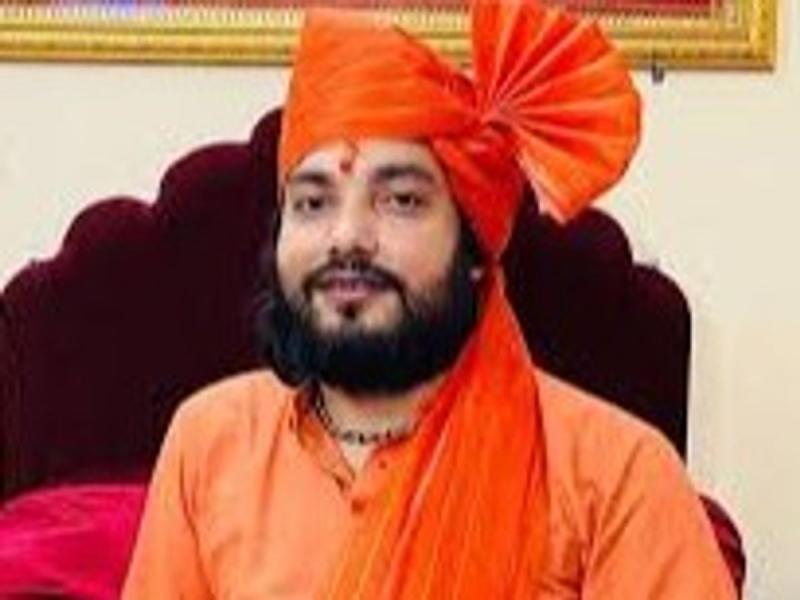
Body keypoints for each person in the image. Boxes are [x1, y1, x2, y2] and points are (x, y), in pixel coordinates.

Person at [122, 0, 736, 597]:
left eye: (401, 200)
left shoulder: (617, 475)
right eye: (312, 202)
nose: (347, 236)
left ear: (475, 250)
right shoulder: (210, 440)